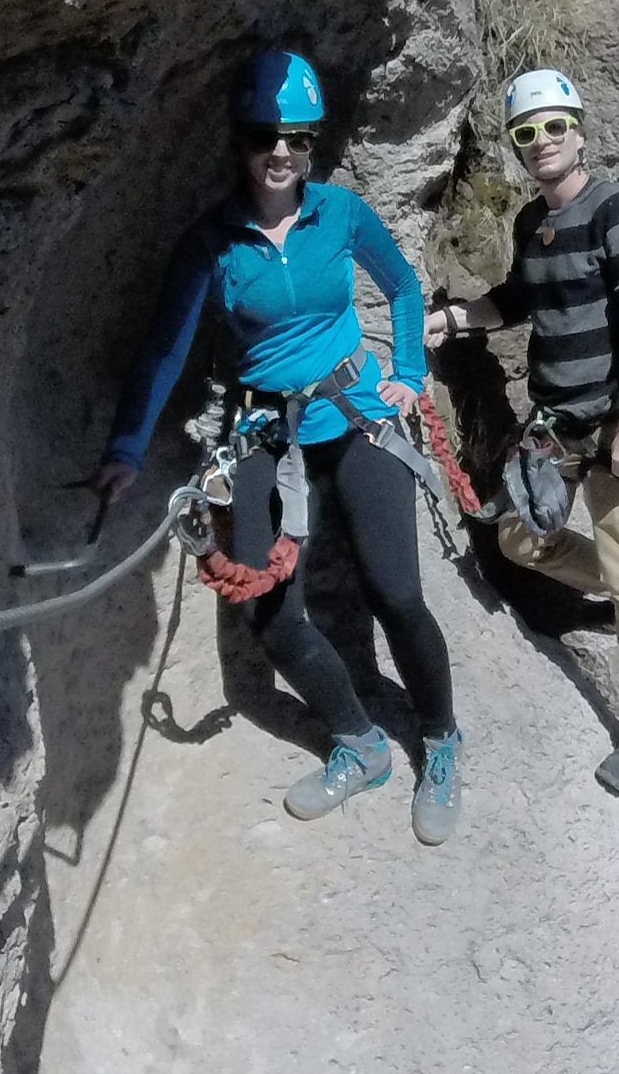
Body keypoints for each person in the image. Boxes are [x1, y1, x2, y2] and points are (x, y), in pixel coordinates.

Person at [94, 52, 464, 844]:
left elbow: (401, 285)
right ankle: (360, 743)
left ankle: (440, 740)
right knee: (270, 610)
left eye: (297, 134)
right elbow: (164, 351)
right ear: (241, 138)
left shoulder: (341, 213)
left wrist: (408, 370)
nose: (281, 150)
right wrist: (126, 447)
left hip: (354, 415)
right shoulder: (214, 240)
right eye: (266, 133)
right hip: (265, 429)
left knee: (395, 591)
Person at [424, 69, 619, 795]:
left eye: (554, 126)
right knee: (519, 537)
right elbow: (515, 300)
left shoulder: (617, 211)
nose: (542, 142)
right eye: (526, 132)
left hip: (609, 424)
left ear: (581, 130)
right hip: (554, 425)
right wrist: (453, 317)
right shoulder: (531, 224)